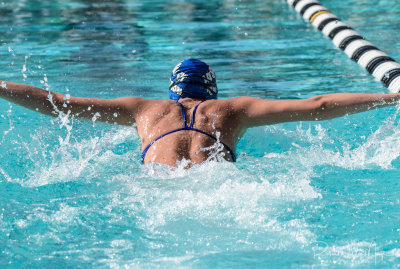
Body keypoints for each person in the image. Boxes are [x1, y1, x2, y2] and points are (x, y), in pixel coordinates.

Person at [1, 58, 400, 167]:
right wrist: (391, 98)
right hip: (221, 190)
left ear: (172, 89)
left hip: (153, 190)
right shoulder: (233, 109)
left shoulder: (143, 109)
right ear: (211, 90)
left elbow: (55, 103)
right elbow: (319, 106)